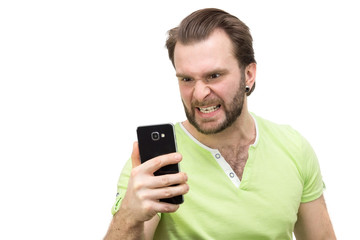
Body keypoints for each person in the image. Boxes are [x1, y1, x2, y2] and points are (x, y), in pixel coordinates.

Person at [104, 8, 336, 240]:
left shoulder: (294, 147)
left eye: (214, 76)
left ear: (249, 75)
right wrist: (129, 215)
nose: (199, 93)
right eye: (187, 79)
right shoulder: (154, 164)